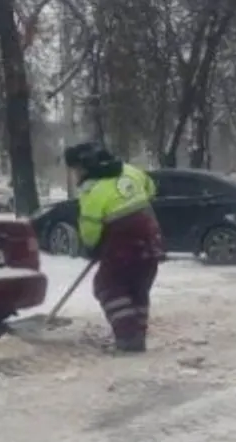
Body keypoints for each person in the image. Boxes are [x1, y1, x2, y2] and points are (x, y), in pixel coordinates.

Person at [68, 142, 164, 353]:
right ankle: (137, 335)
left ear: (85, 166)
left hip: (123, 242)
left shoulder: (92, 190)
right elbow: (151, 189)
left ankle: (128, 338)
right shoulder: (130, 171)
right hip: (150, 235)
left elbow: (90, 227)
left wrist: (92, 246)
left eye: (75, 169)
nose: (75, 174)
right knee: (138, 286)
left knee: (107, 286)